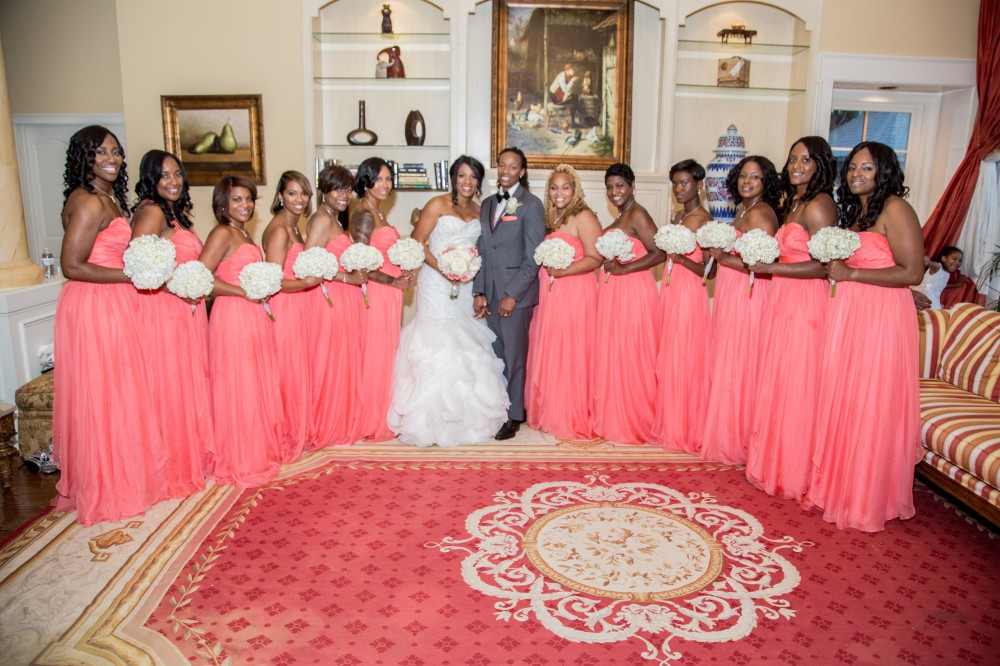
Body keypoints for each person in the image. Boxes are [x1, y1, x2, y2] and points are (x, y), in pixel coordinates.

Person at [806, 142, 924, 532]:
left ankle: (867, 496)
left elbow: (912, 272)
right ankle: (842, 486)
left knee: (871, 400)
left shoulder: (896, 209)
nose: (856, 173)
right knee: (848, 398)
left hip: (882, 319)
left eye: (867, 168)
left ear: (884, 171)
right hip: (851, 313)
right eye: (853, 167)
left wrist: (852, 274)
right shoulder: (856, 213)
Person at [52, 125, 164, 525]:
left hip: (114, 300)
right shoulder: (87, 201)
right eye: (100, 152)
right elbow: (72, 266)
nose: (111, 159)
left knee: (121, 392)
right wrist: (131, 275)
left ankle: (121, 477)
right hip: (95, 305)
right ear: (83, 158)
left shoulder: (110, 199)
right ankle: (105, 486)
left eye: (115, 151)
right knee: (103, 393)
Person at [388, 156, 509, 446]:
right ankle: (428, 419)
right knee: (437, 340)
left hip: (465, 285)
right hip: (436, 282)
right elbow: (417, 242)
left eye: (473, 176)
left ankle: (467, 417)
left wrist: (468, 274)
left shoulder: (481, 211)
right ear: (453, 178)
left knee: (466, 340)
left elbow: (482, 251)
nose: (467, 182)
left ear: (479, 181)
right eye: (462, 175)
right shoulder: (437, 205)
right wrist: (444, 269)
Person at [744, 137, 837, 500]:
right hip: (785, 299)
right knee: (781, 380)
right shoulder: (796, 203)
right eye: (793, 159)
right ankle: (777, 462)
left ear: (820, 165)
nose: (797, 166)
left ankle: (799, 471)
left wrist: (773, 268)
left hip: (807, 304)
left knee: (800, 384)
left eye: (806, 160)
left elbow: (826, 266)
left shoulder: (819, 205)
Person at [131, 149, 213, 499]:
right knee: (169, 388)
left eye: (177, 173)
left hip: (185, 313)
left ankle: (187, 458)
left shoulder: (175, 215)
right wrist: (178, 286)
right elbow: (138, 266)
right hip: (163, 314)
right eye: (164, 175)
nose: (173, 181)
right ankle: (167, 469)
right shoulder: (151, 211)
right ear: (150, 178)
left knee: (186, 386)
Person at [200, 176, 286, 488]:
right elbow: (202, 276)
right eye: (237, 199)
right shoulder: (222, 233)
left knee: (254, 383)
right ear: (222, 203)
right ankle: (238, 456)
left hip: (253, 315)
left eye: (248, 199)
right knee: (238, 384)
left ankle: (255, 448)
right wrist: (242, 292)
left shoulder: (244, 233)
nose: (245, 205)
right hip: (233, 315)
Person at [700, 155, 780, 465]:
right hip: (732, 292)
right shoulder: (742, 210)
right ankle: (729, 432)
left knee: (743, 362)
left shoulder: (762, 214)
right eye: (744, 175)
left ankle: (743, 439)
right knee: (730, 360)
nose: (747, 181)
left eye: (755, 177)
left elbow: (763, 265)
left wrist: (723, 257)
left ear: (766, 182)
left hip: (751, 295)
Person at [473, 147, 546, 440]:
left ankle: (515, 416)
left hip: (516, 297)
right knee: (497, 356)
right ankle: (501, 408)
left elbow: (534, 257)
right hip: (490, 294)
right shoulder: (487, 204)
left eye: (513, 167)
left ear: (522, 171)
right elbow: (482, 249)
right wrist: (479, 291)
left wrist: (512, 294)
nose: (506, 171)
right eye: (502, 165)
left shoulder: (532, 205)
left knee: (515, 358)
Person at [525, 164, 602, 441]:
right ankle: (549, 409)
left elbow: (596, 258)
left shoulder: (583, 216)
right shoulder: (549, 216)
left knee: (570, 350)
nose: (559, 192)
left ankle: (569, 413)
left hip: (575, 292)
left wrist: (564, 270)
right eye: (554, 187)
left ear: (575, 189)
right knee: (551, 348)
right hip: (550, 293)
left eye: (565, 187)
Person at [594, 163, 662, 445]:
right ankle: (616, 416)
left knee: (633, 353)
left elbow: (660, 253)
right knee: (615, 353)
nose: (614, 192)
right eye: (610, 187)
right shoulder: (621, 216)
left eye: (620, 185)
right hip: (613, 294)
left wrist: (625, 269)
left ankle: (636, 419)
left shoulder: (638, 213)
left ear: (633, 186)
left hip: (633, 292)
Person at [652, 159, 713, 453]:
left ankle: (687, 426)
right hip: (670, 288)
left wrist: (681, 260)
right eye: (675, 183)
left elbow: (710, 270)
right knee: (668, 355)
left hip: (690, 293)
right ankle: (670, 421)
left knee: (685, 357)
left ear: (698, 184)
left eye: (684, 183)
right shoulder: (677, 216)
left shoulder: (705, 220)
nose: (678, 188)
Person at [350, 157, 413, 441]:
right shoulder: (365, 214)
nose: (385, 185)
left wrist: (403, 269)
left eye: (388, 179)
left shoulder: (378, 212)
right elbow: (360, 265)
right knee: (375, 355)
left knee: (387, 354)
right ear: (366, 181)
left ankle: (383, 412)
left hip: (390, 296)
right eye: (378, 179)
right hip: (375, 295)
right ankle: (371, 419)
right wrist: (393, 280)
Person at [303, 164, 364, 448]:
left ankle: (339, 420)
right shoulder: (321, 220)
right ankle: (325, 425)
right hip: (328, 299)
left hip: (342, 298)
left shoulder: (335, 219)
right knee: (328, 362)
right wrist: (347, 277)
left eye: (348, 189)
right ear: (324, 191)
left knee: (340, 361)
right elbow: (308, 265)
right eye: (337, 189)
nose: (344, 195)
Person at [263, 171, 321, 461]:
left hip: (298, 306)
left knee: (297, 371)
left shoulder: (293, 227)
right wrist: (307, 283)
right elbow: (273, 281)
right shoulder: (279, 229)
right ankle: (283, 436)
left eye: (304, 193)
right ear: (280, 196)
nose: (300, 199)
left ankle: (297, 429)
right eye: (292, 193)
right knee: (286, 373)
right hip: (284, 307)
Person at [547, 63, 585, 127]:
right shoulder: (562, 77)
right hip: (555, 98)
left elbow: (569, 90)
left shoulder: (568, 76)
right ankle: (580, 121)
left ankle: (577, 121)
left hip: (560, 95)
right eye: (573, 70)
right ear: (567, 70)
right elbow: (566, 90)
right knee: (575, 100)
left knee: (575, 97)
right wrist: (572, 81)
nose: (574, 71)